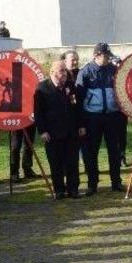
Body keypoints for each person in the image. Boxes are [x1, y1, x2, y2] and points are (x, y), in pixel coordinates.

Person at [77, 43, 124, 194]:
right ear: (96, 55)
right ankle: (92, 184)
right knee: (91, 153)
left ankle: (116, 182)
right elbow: (78, 100)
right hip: (92, 118)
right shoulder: (85, 72)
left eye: (109, 55)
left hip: (112, 116)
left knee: (114, 151)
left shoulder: (114, 70)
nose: (109, 57)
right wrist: (82, 123)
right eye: (106, 55)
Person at [35, 60, 85, 198]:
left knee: (72, 162)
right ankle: (59, 190)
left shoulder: (70, 86)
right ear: (52, 72)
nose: (65, 73)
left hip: (71, 131)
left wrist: (81, 125)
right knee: (56, 164)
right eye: (61, 70)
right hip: (52, 133)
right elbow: (38, 112)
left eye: (65, 70)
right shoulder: (42, 88)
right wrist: (42, 131)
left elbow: (77, 107)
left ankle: (73, 189)